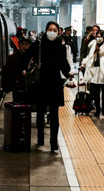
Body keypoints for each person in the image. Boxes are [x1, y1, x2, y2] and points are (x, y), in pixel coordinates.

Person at [22, 21, 73, 152]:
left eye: (55, 30)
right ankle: (40, 138)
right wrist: (23, 69)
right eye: (50, 29)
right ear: (46, 30)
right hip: (41, 82)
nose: (52, 32)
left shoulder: (60, 47)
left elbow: (64, 64)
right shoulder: (38, 45)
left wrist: (69, 74)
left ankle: (53, 142)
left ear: (58, 32)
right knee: (40, 112)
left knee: (54, 114)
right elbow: (25, 56)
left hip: (55, 83)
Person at [80, 29, 104, 119]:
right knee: (95, 93)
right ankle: (98, 109)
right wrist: (83, 64)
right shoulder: (93, 45)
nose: (99, 38)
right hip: (95, 71)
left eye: (100, 36)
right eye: (97, 36)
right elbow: (89, 57)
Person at [2, 37, 31, 103]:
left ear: (29, 45)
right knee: (17, 104)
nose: (24, 46)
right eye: (22, 44)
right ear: (19, 45)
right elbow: (7, 73)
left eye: (26, 44)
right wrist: (8, 87)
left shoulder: (33, 57)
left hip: (30, 87)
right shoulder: (12, 58)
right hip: (17, 86)